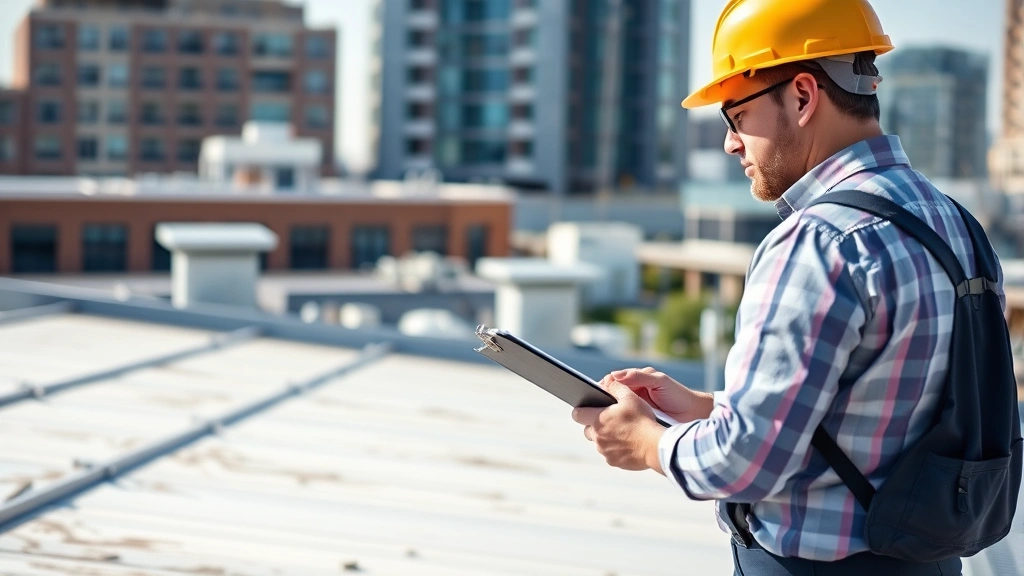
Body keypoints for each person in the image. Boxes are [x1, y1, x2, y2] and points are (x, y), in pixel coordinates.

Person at [570, 0, 1004, 574]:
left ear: (802, 96)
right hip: (930, 560)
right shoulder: (952, 221)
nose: (729, 143)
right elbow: (887, 410)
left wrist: (646, 442)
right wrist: (709, 408)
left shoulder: (817, 241)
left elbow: (742, 463)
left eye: (734, 115)